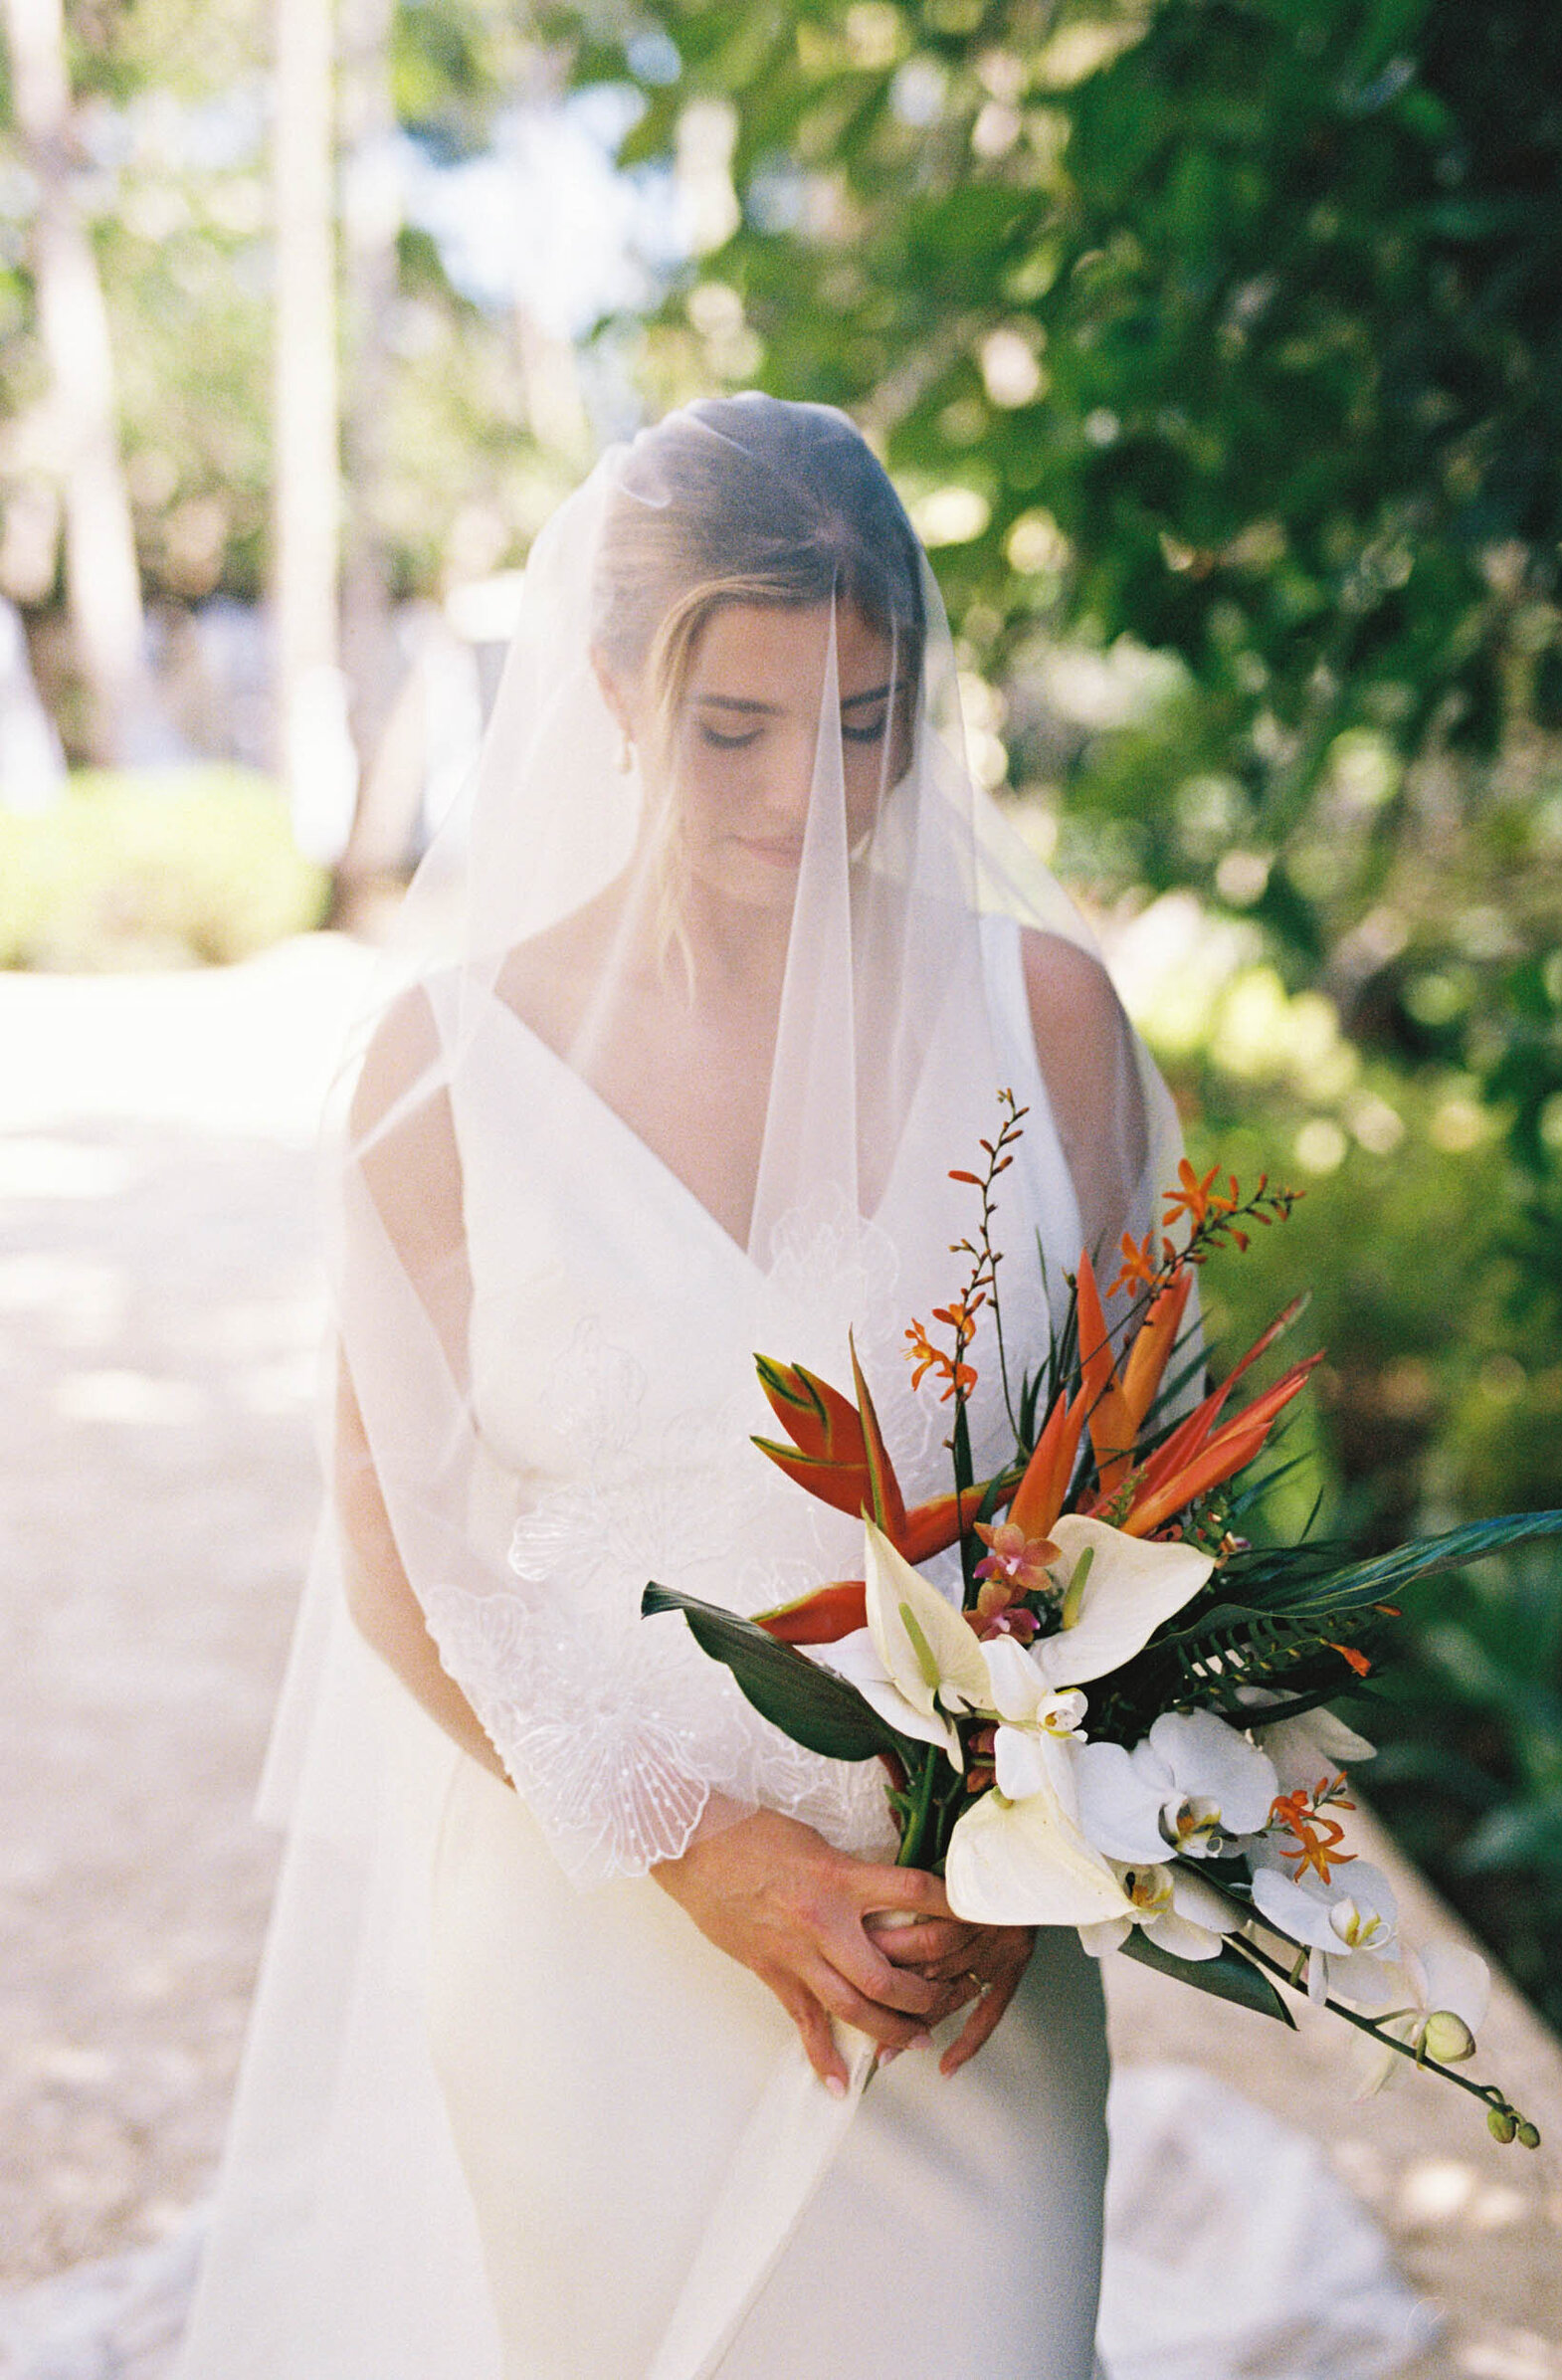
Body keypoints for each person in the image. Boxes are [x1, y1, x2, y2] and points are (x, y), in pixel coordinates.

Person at [175, 395, 1183, 2380]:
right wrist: (697, 1848)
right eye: (738, 727)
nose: (807, 796)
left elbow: (1149, 1475)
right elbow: (399, 1536)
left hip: (955, 1946)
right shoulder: (446, 1070)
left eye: (865, 718)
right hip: (598, 1945)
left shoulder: (1042, 1018)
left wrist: (1024, 1834)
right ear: (613, 688)